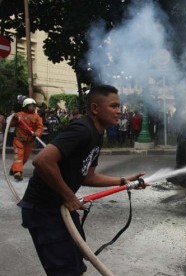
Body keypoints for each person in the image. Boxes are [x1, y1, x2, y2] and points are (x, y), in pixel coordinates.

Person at [18, 84, 146, 275]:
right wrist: (70, 196)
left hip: (60, 208)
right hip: (43, 210)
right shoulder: (82, 129)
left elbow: (88, 176)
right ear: (95, 108)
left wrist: (123, 181)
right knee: (66, 271)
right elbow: (42, 161)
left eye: (119, 106)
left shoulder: (97, 134)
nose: (119, 111)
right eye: (113, 106)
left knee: (76, 264)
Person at [9, 98, 44, 181]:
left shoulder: (36, 117)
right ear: (26, 106)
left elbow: (40, 127)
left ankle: (13, 169)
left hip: (30, 141)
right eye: (31, 106)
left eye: (34, 106)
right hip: (19, 139)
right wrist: (14, 118)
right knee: (19, 155)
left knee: (25, 158)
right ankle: (17, 172)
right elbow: (10, 124)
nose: (33, 107)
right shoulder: (19, 115)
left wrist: (37, 133)